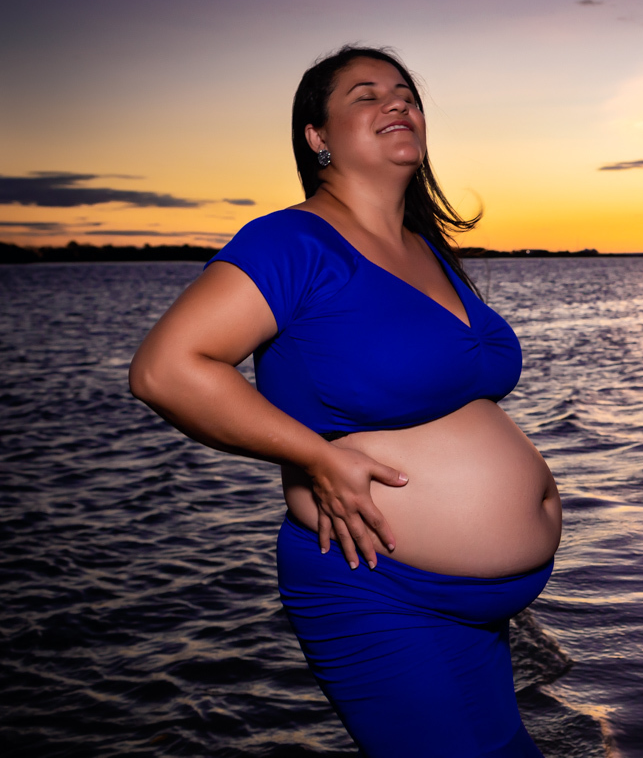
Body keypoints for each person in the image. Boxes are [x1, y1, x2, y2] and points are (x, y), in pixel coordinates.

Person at [129, 45, 563, 757]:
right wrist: (315, 455)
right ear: (318, 137)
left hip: (472, 607)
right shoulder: (291, 241)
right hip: (380, 591)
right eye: (366, 95)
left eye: (405, 92)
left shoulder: (427, 248)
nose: (396, 103)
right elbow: (166, 370)